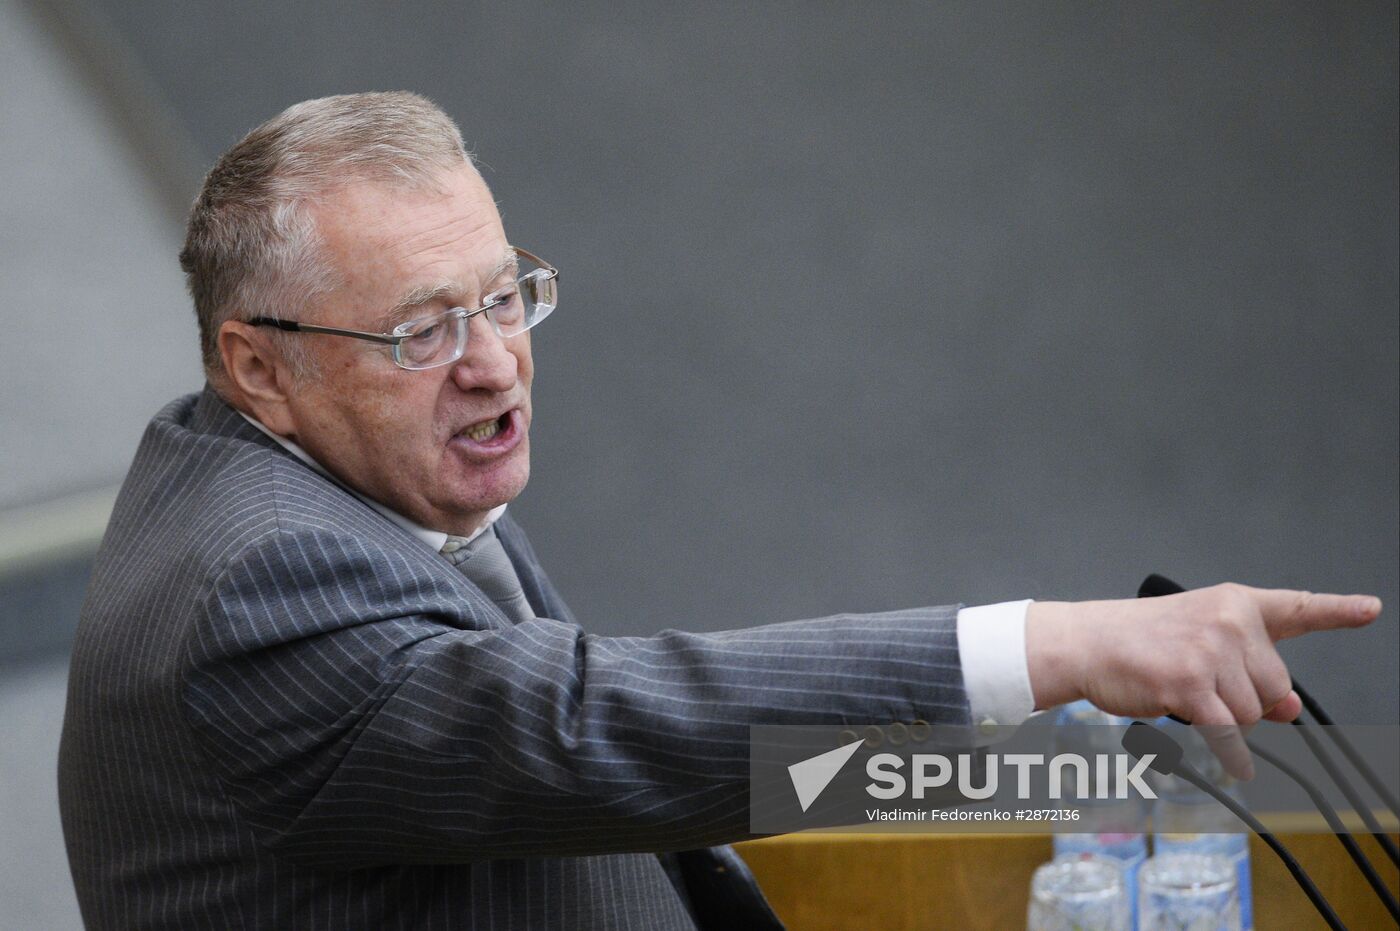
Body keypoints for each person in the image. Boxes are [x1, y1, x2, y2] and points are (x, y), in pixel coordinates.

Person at [57, 92, 1382, 931]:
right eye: (423, 329)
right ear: (256, 365)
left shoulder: (353, 476)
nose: (495, 360)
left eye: (504, 295)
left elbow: (622, 761)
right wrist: (1049, 651)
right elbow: (592, 729)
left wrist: (1056, 760)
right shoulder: (260, 584)